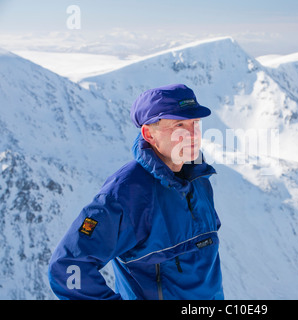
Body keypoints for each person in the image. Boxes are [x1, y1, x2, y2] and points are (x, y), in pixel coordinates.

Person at [48, 84, 224, 300]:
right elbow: (68, 267)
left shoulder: (199, 178)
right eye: (179, 125)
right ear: (149, 134)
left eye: (195, 124)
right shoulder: (126, 193)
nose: (192, 135)